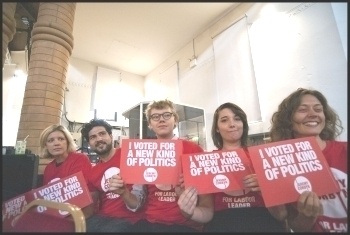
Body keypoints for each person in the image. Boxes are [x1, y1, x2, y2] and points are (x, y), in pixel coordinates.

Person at [269, 88, 347, 232]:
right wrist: (307, 216)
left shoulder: (345, 151)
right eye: (302, 110)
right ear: (288, 120)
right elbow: (296, 227)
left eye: (318, 109)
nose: (313, 114)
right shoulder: (281, 165)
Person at [133, 99, 214, 232]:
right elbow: (138, 195)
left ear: (175, 120)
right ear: (150, 124)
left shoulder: (193, 149)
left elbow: (207, 202)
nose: (161, 120)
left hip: (185, 224)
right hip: (150, 222)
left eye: (167, 115)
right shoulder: (143, 152)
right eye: (155, 117)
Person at [204, 102, 287, 232]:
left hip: (263, 223)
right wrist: (188, 210)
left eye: (237, 119)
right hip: (222, 224)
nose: (232, 124)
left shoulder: (263, 157)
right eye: (224, 120)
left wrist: (266, 188)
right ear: (217, 128)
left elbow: (281, 214)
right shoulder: (207, 161)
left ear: (243, 124)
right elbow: (206, 211)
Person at [80, 119, 146, 232]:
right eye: (93, 137)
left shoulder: (130, 154)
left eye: (102, 134)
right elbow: (91, 205)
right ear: (89, 143)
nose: (99, 139)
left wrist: (124, 192)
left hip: (130, 219)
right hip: (102, 219)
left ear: (110, 136)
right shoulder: (92, 172)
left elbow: (139, 200)